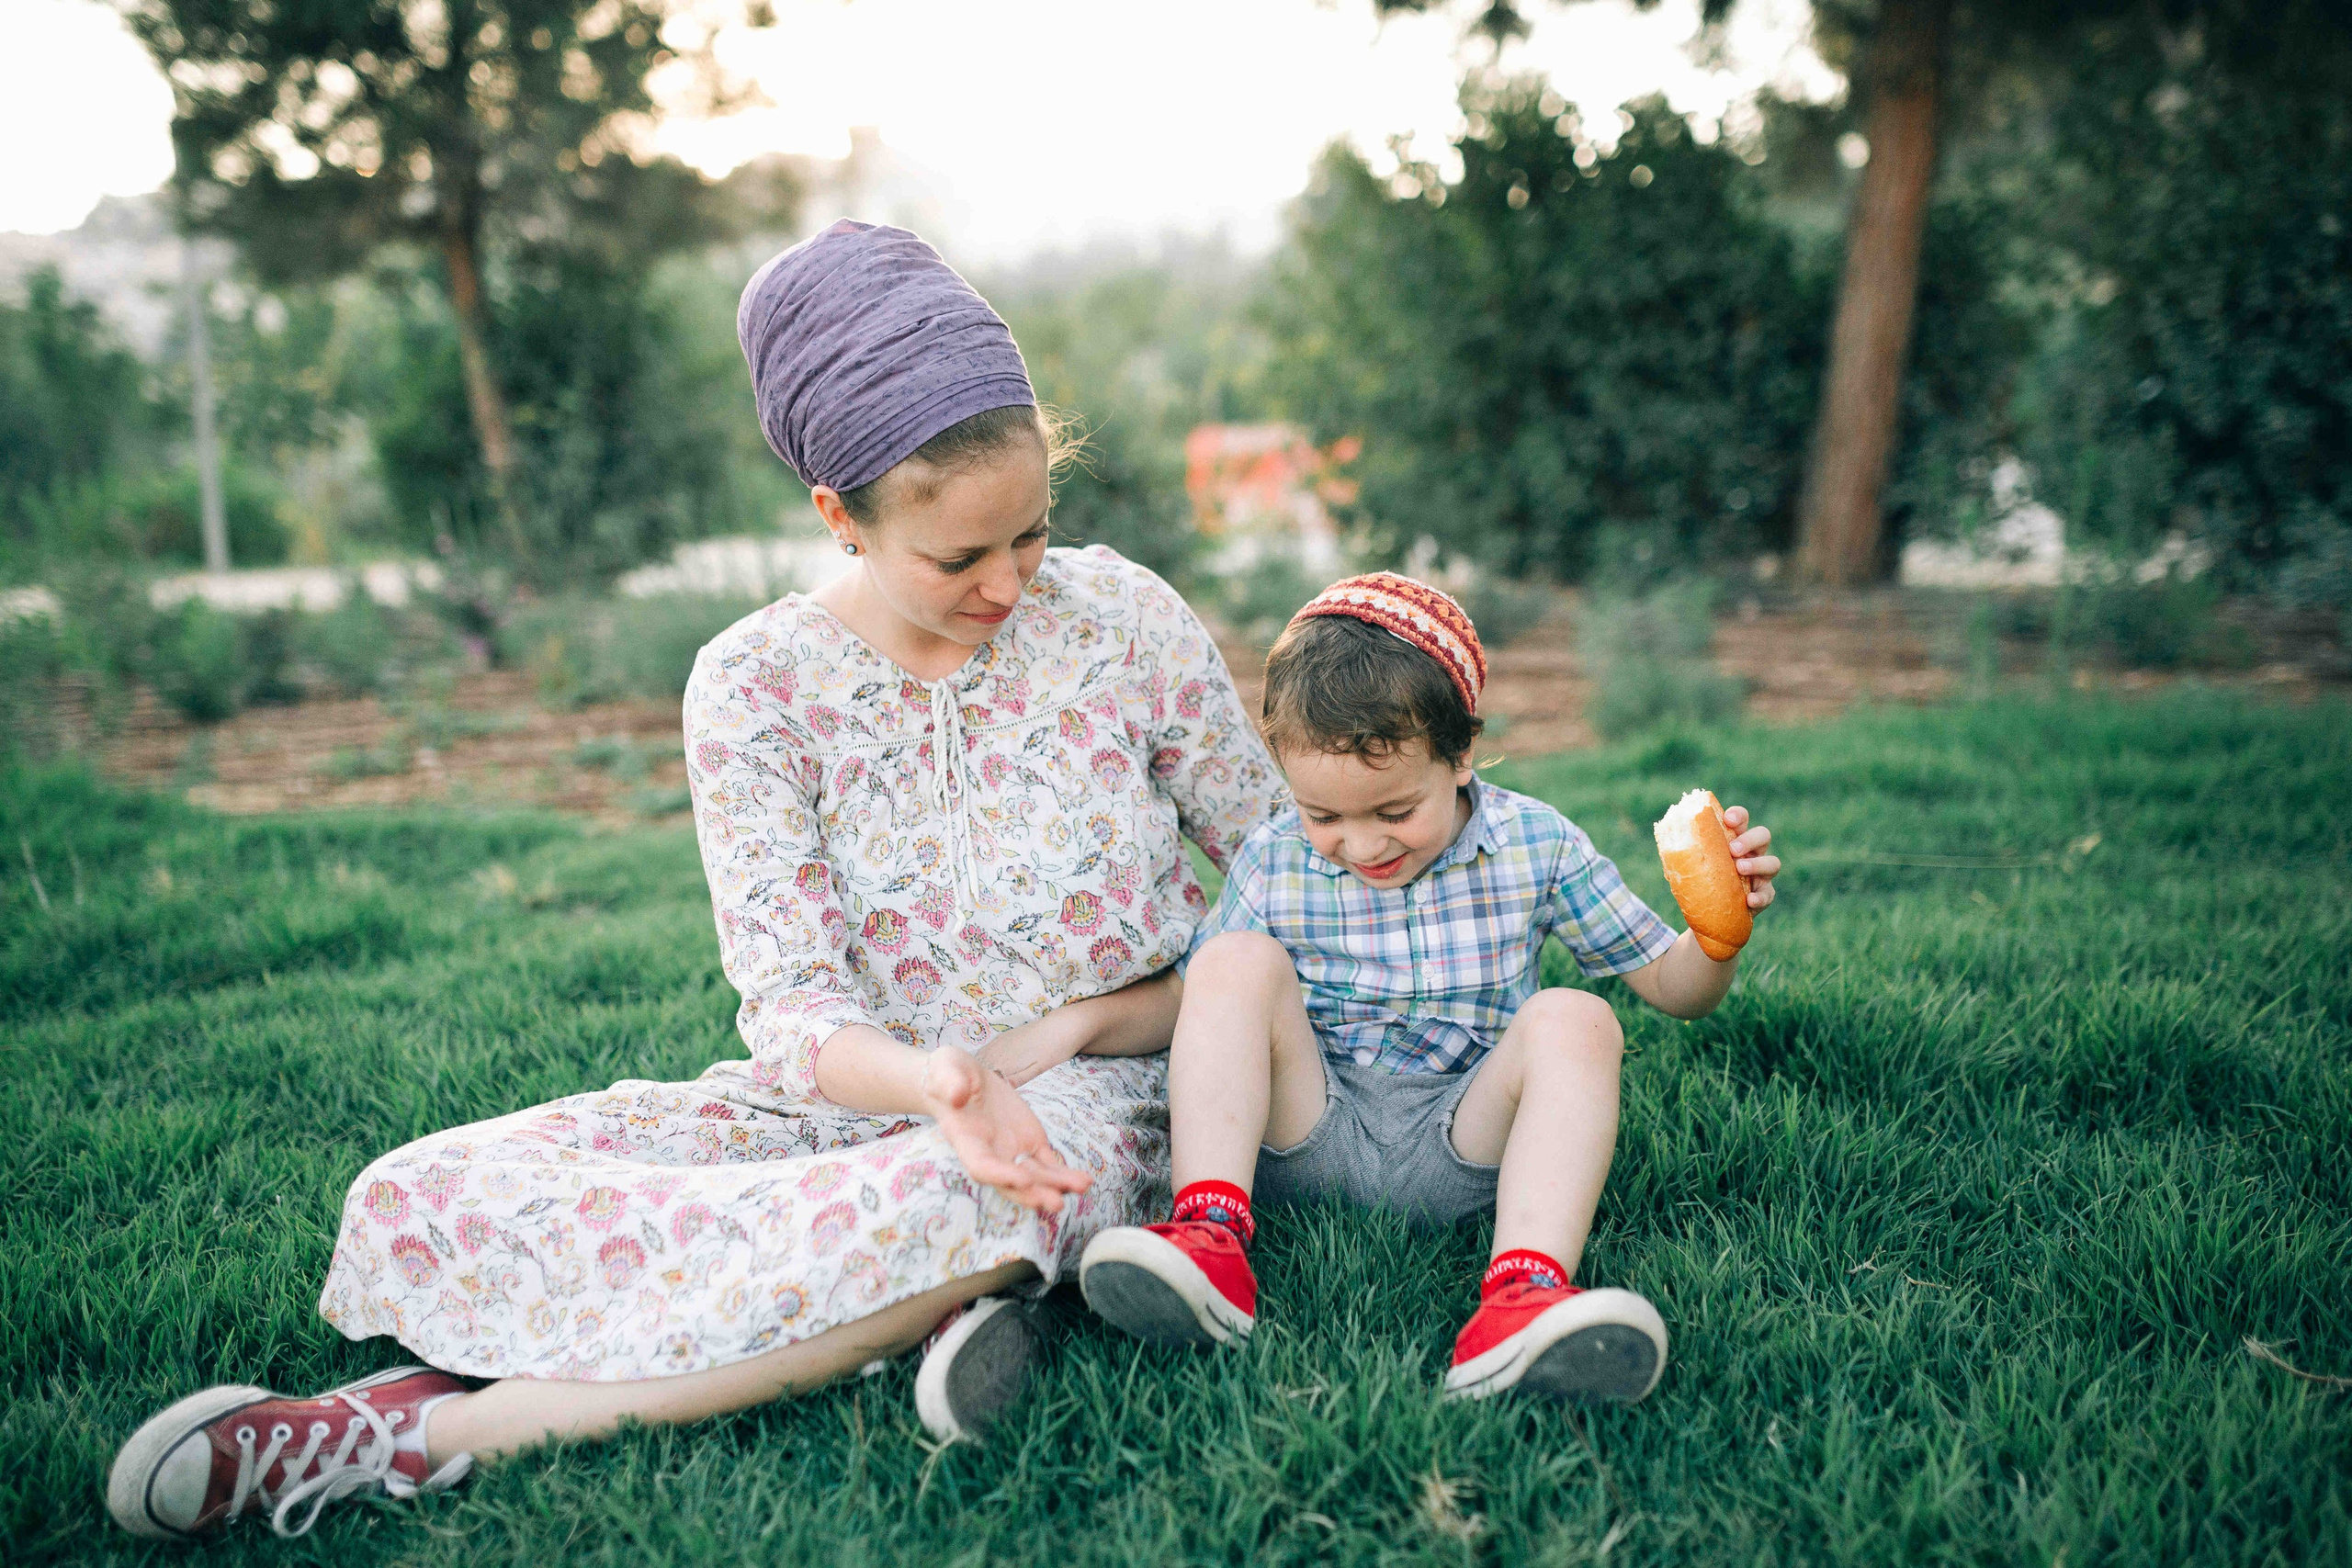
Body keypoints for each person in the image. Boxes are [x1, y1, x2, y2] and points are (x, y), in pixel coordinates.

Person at [106, 220, 1283, 1541]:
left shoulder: (1120, 619)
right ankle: (928, 1314)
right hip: (855, 1104)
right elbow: (790, 1008)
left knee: (964, 1194)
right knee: (430, 1181)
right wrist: (933, 1082)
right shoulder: (753, 684)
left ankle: (411, 1428)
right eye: (959, 558)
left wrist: (1070, 1034)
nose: (1011, 582)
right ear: (836, 515)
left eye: (1031, 534)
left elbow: (1284, 880)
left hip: (1096, 1099)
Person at [1078, 573, 1781, 1403]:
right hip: (1313, 1130)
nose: (1359, 842)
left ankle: (1521, 1295)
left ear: (1460, 754)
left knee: (1578, 1017)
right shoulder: (1275, 857)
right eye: (1324, 816)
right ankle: (1211, 1239)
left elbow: (1675, 988)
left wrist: (1719, 933)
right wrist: (1070, 1030)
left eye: (1394, 809)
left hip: (1464, 1141)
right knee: (1233, 960)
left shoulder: (1536, 844)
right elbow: (1202, 1009)